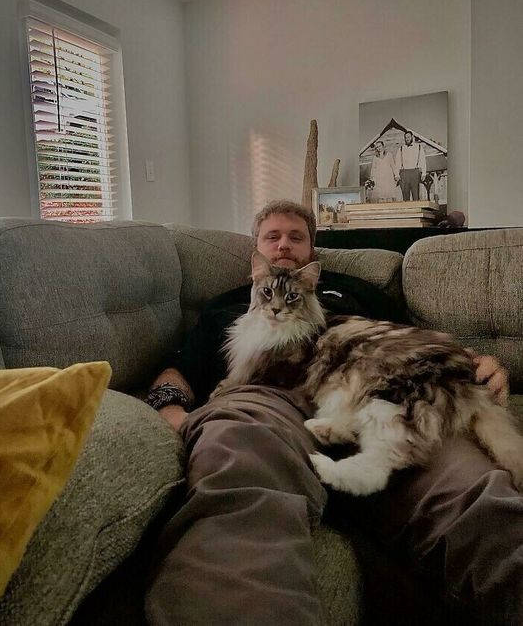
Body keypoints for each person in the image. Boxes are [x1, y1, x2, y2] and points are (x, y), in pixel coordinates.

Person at [144, 200, 519, 625]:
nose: (283, 245)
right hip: (268, 398)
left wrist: (478, 365)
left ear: (313, 249)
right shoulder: (225, 305)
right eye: (272, 236)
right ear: (256, 251)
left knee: (475, 495)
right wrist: (170, 408)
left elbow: (414, 342)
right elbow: (178, 368)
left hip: (380, 386)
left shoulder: (356, 290)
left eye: (296, 236)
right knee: (239, 461)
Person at [395, 130, 427, 201]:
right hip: (404, 173)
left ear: (412, 137)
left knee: (416, 195)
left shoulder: (418, 147)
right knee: (405, 196)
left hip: (415, 172)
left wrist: (424, 173)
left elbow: (423, 160)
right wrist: (396, 175)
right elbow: (397, 162)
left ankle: (417, 207)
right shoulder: (401, 148)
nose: (407, 139)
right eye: (406, 137)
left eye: (408, 137)